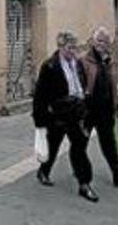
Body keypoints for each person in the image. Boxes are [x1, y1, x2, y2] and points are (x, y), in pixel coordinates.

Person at [32, 31, 99, 202]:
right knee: (53, 145)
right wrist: (40, 119)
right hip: (58, 114)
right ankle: (44, 171)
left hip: (76, 113)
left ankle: (84, 184)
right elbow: (40, 94)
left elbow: (83, 83)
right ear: (60, 47)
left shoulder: (77, 64)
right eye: (69, 48)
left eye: (74, 48)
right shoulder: (50, 66)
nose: (72, 51)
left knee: (79, 148)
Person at [81, 27, 118, 187]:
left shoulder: (109, 61)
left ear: (108, 44)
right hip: (88, 110)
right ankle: (78, 168)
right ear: (93, 41)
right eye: (99, 40)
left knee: (110, 144)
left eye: (104, 41)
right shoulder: (84, 61)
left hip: (105, 111)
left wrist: (116, 105)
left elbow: (114, 86)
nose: (101, 44)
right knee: (81, 142)